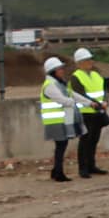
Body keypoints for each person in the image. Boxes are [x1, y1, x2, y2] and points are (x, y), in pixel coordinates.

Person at [69, 48, 109, 178]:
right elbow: (81, 94)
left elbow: (103, 91)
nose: (90, 62)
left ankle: (91, 165)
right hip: (85, 113)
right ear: (79, 62)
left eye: (90, 59)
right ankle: (83, 168)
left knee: (94, 140)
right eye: (87, 60)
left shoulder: (96, 75)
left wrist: (105, 101)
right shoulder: (76, 77)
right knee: (85, 140)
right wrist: (98, 104)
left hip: (97, 112)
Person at [39, 55, 81, 183]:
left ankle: (56, 171)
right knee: (61, 146)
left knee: (62, 146)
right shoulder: (50, 85)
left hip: (62, 119)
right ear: (53, 71)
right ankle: (58, 173)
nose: (62, 70)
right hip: (55, 121)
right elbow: (63, 100)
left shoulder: (59, 83)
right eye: (59, 69)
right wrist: (73, 101)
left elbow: (70, 96)